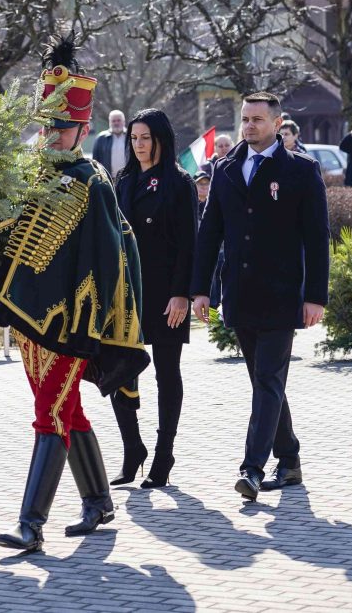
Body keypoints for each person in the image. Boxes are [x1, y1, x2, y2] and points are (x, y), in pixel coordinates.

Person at [0, 34, 149, 552]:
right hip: (24, 317)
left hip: (68, 324)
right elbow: (8, 237)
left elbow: (107, 263)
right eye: (46, 126)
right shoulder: (26, 174)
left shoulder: (91, 182)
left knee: (49, 414)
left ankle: (31, 524)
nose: (52, 135)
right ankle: (99, 501)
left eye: (62, 128)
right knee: (66, 409)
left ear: (84, 128)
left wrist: (91, 327)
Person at [191, 91, 330, 501]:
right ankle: (289, 460)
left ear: (277, 122)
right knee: (265, 382)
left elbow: (317, 238)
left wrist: (315, 296)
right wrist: (201, 289)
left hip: (282, 294)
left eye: (257, 119)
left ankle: (252, 469)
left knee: (267, 380)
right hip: (240, 292)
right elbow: (210, 231)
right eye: (245, 118)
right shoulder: (225, 167)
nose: (249, 125)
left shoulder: (301, 170)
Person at [110, 108, 197, 490]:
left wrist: (182, 294)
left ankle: (164, 454)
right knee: (116, 369)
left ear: (161, 139)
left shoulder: (179, 183)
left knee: (166, 373)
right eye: (134, 138)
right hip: (126, 292)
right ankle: (133, 448)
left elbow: (188, 246)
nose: (139, 145)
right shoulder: (124, 180)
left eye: (145, 138)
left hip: (165, 292)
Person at [91, 109, 127, 179]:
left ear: (124, 121)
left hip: (127, 178)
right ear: (109, 122)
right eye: (113, 121)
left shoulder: (131, 136)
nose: (116, 123)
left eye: (119, 120)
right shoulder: (101, 138)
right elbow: (95, 161)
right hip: (108, 179)